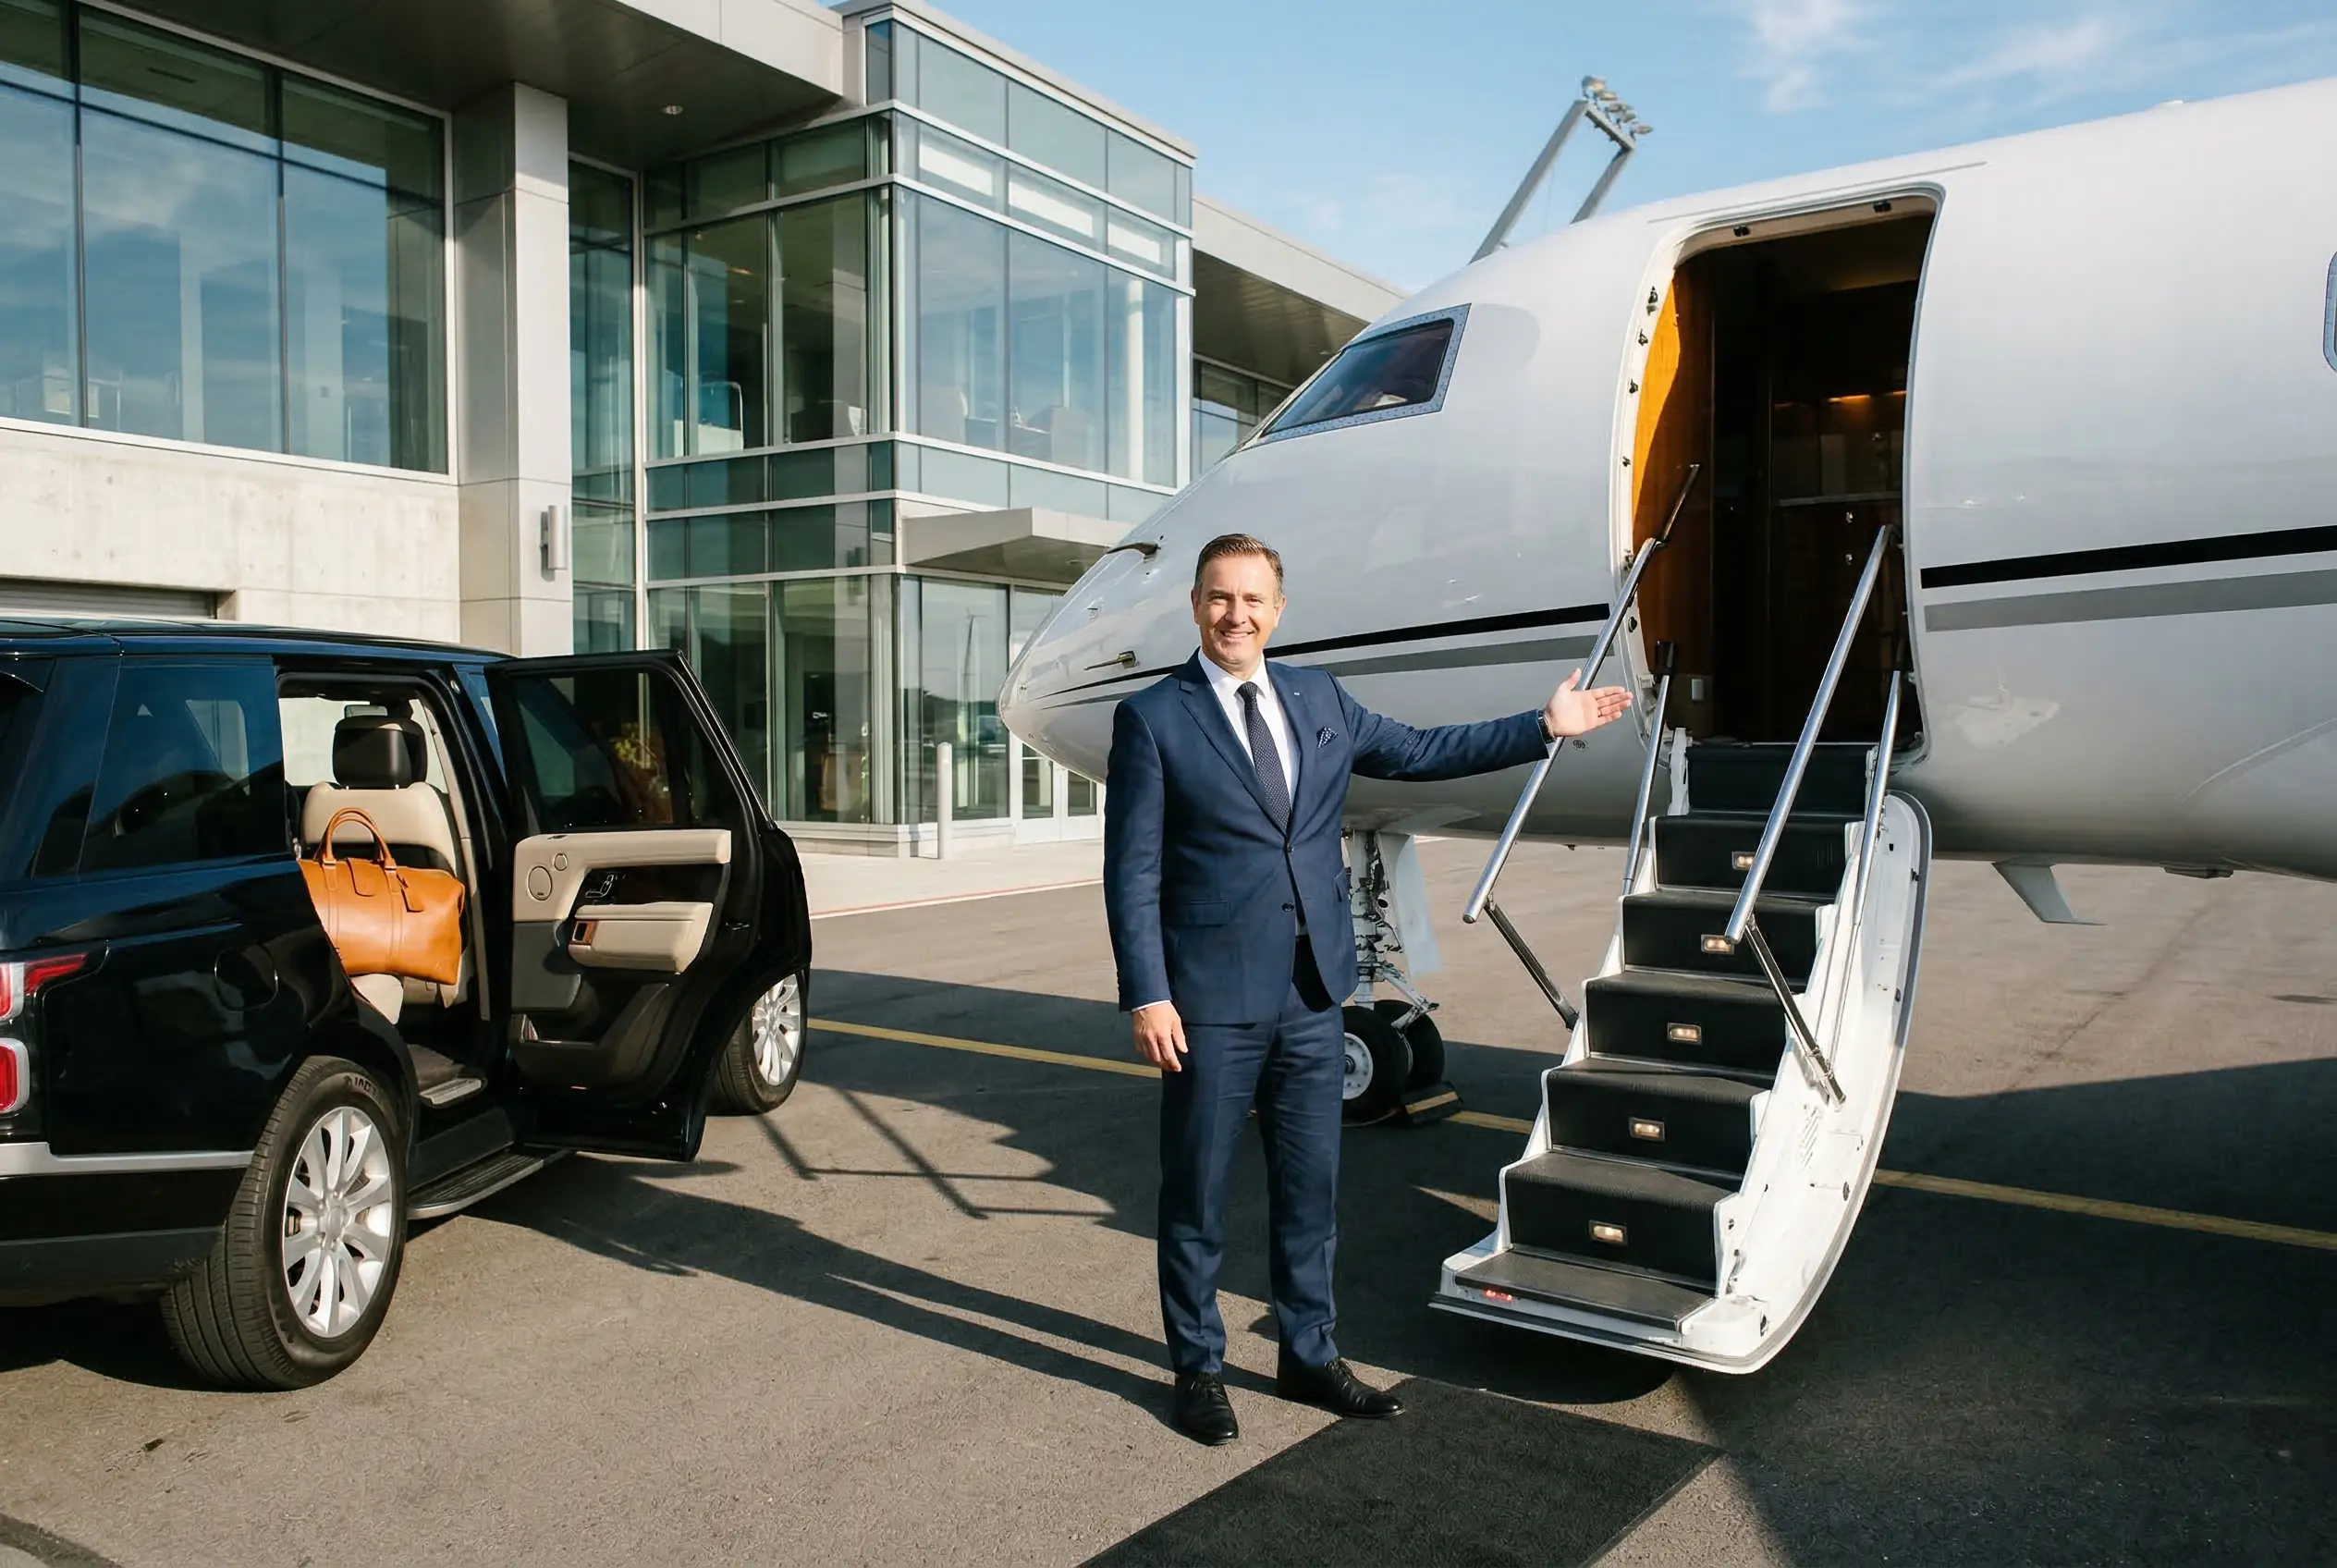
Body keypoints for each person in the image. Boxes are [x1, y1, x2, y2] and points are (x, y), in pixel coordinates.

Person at [1103, 532, 1633, 1445]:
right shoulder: (1153, 717)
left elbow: (1423, 751)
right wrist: (1146, 993)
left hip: (1314, 996)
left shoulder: (1316, 698)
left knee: (1311, 1195)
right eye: (1219, 598)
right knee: (1194, 1196)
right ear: (1194, 605)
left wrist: (1543, 725)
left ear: (1277, 610)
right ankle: (1196, 1364)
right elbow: (1131, 870)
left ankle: (1307, 1352)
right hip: (1209, 1004)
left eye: (1252, 600)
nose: (1236, 615)